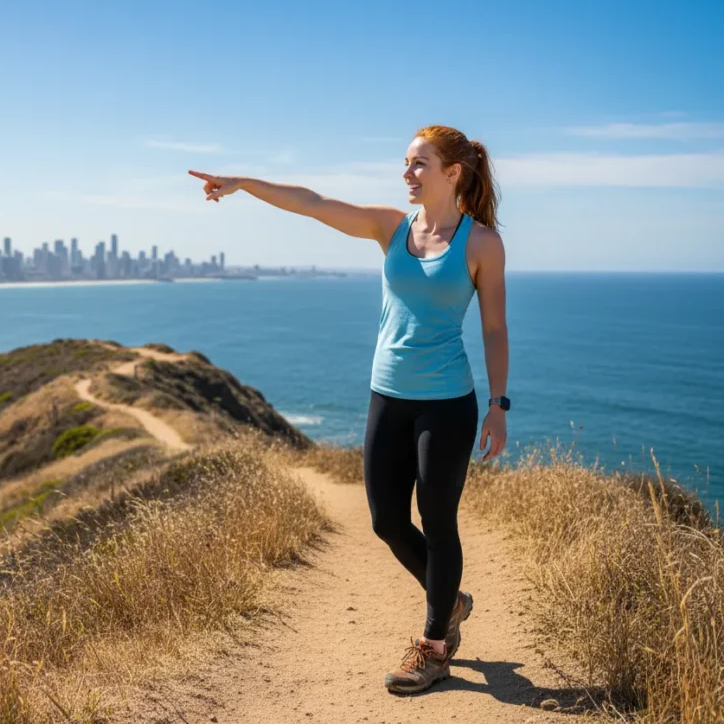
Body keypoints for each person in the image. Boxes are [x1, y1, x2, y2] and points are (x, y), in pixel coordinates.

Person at [189, 124, 509, 694]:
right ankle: (450, 599)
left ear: (453, 173)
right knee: (387, 520)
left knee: (437, 522)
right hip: (387, 394)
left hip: (447, 404)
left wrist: (498, 404)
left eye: (419, 165)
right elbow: (313, 205)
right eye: (406, 163)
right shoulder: (390, 227)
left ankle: (434, 646)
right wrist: (241, 183)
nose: (407, 174)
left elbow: (494, 327)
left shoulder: (481, 242)